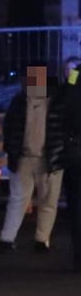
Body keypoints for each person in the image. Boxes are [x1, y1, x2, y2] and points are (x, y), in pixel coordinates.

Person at [0, 61, 65, 253]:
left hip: (43, 157)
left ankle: (24, 239)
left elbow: (10, 128)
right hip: (39, 157)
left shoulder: (23, 100)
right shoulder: (53, 101)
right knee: (34, 200)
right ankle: (29, 240)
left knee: (30, 199)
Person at [64, 60, 81, 272]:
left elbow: (66, 100)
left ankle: (79, 258)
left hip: (75, 147)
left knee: (77, 205)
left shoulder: (75, 75)